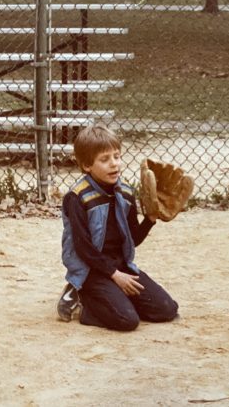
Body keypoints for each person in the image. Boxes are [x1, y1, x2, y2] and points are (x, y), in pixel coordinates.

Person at [56, 124, 179, 331]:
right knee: (127, 321)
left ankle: (114, 299)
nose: (114, 164)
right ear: (87, 165)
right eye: (104, 159)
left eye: (117, 156)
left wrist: (150, 218)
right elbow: (83, 249)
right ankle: (82, 300)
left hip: (120, 267)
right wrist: (115, 275)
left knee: (167, 309)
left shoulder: (125, 193)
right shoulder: (77, 197)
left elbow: (132, 240)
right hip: (91, 271)